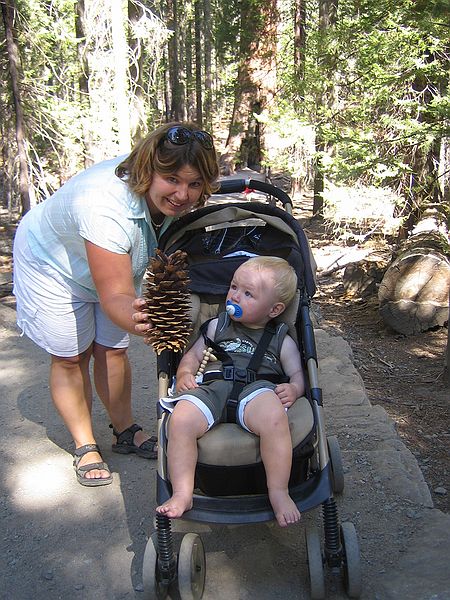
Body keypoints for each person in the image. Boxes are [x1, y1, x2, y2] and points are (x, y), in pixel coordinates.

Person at [13, 122, 220, 487]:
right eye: (172, 179)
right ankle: (85, 444)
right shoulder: (105, 206)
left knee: (112, 350)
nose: (182, 194)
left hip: (114, 262)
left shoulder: (166, 199)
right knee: (71, 355)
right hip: (52, 265)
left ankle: (124, 430)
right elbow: (116, 298)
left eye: (194, 184)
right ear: (148, 170)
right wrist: (147, 321)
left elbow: (123, 282)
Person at [156, 256, 305, 527]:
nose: (235, 295)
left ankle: (279, 491)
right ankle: (182, 493)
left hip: (257, 390)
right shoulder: (217, 325)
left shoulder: (280, 338)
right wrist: (185, 373)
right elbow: (193, 355)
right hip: (211, 385)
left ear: (274, 309)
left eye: (248, 294)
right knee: (180, 419)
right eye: (234, 286)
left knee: (274, 417)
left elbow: (297, 372)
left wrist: (294, 388)